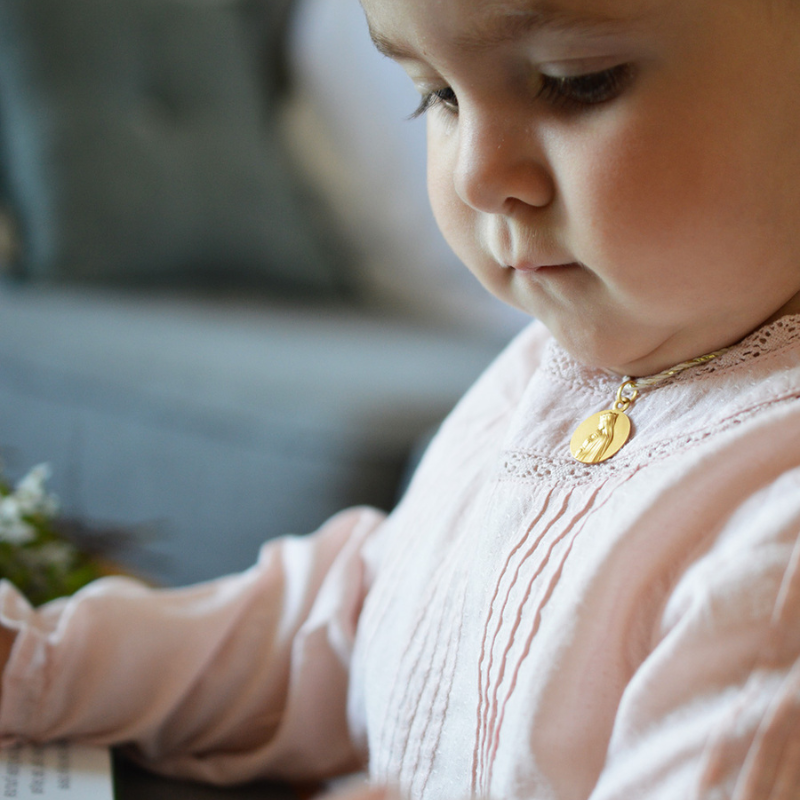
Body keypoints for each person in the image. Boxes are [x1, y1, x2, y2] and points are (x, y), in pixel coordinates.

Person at [2, 0, 800, 797]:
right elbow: (357, 629)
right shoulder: (547, 366)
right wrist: (46, 667)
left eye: (576, 83)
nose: (477, 177)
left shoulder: (780, 536)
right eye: (439, 97)